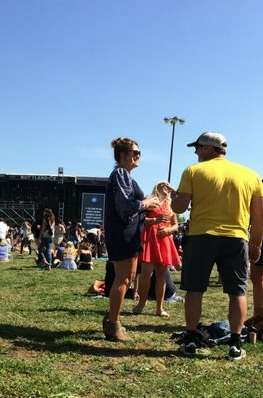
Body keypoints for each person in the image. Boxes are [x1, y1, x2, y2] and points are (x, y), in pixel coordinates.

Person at [172, 132, 262, 360]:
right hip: (236, 237)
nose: (195, 152)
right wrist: (257, 244)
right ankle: (234, 345)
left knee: (195, 289)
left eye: (198, 147)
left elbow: (179, 208)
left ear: (208, 149)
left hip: (202, 236)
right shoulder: (251, 175)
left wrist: (172, 196)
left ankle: (191, 340)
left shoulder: (193, 171)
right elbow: (258, 216)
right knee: (237, 291)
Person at [101, 137, 145, 342]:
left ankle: (113, 318)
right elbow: (126, 205)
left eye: (138, 153)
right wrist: (148, 202)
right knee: (123, 279)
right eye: (135, 152)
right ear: (123, 155)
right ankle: (112, 325)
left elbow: (133, 207)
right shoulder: (120, 173)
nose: (138, 156)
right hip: (122, 234)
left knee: (127, 278)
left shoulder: (126, 176)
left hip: (129, 233)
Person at [133, 182, 181, 317]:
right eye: (163, 186)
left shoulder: (170, 205)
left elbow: (175, 225)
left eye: (167, 187)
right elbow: (141, 220)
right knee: (146, 272)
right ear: (156, 188)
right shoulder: (150, 201)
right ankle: (142, 303)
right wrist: (155, 220)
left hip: (164, 240)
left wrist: (168, 230)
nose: (166, 188)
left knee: (162, 274)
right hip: (150, 239)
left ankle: (160, 308)